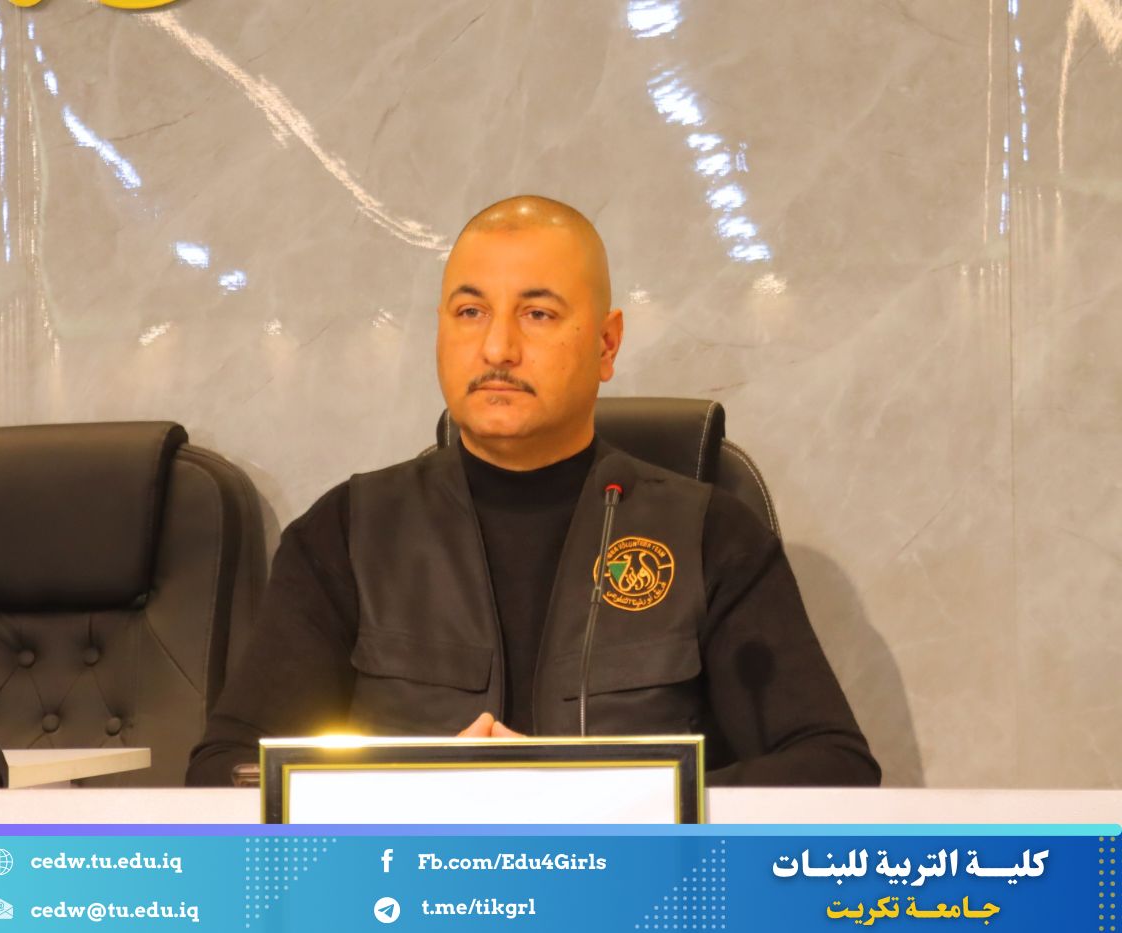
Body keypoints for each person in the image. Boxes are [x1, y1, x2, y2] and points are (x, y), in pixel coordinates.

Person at [187, 195, 879, 787]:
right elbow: (228, 771)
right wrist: (410, 788)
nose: (497, 349)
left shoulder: (710, 536)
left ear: (606, 345)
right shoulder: (348, 533)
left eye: (538, 314)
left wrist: (592, 795)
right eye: (469, 311)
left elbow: (834, 767)